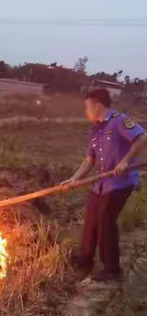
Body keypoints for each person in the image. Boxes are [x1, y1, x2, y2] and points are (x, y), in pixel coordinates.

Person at [63, 88, 147, 281]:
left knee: (105, 221)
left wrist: (125, 161)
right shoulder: (95, 130)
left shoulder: (119, 120)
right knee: (91, 220)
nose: (86, 113)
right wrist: (73, 179)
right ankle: (85, 261)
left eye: (87, 108)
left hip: (120, 182)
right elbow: (88, 160)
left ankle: (112, 269)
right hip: (101, 183)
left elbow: (143, 137)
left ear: (97, 105)